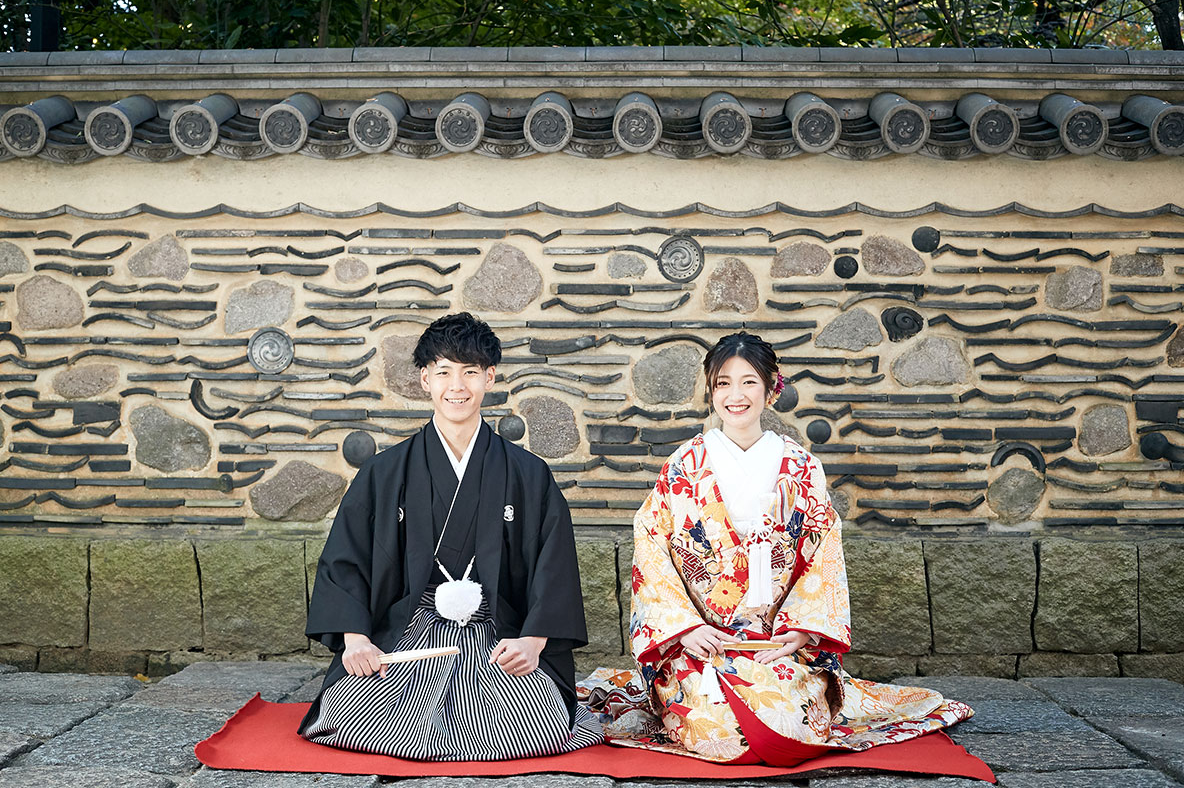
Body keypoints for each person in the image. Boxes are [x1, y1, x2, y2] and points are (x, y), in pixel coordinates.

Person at [618, 331, 972, 764]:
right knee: (717, 724)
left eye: (749, 381)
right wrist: (686, 628)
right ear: (711, 391)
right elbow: (651, 550)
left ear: (771, 389)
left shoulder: (801, 467)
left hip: (778, 640)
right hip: (704, 643)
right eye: (723, 382)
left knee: (791, 719)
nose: (736, 395)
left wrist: (804, 628)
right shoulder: (682, 467)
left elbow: (823, 552)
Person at [299, 312, 603, 760]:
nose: (456, 387)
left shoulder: (528, 474)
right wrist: (356, 638)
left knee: (537, 725)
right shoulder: (385, 473)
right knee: (351, 715)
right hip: (409, 631)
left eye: (470, 373)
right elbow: (346, 559)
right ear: (424, 379)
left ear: (490, 378)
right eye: (443, 372)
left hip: (498, 630)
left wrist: (534, 641)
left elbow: (552, 565)